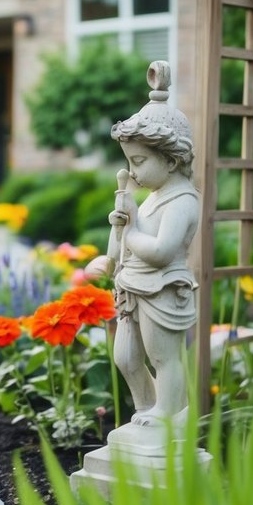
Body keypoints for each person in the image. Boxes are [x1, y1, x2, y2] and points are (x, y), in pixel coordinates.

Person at [87, 62, 199, 428]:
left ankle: (171, 413)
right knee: (126, 357)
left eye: (138, 161)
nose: (132, 172)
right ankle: (147, 408)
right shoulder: (149, 196)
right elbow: (124, 243)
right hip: (132, 287)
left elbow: (162, 251)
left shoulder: (182, 200)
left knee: (164, 357)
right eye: (128, 162)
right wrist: (112, 248)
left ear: (170, 160)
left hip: (163, 289)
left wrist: (132, 226)